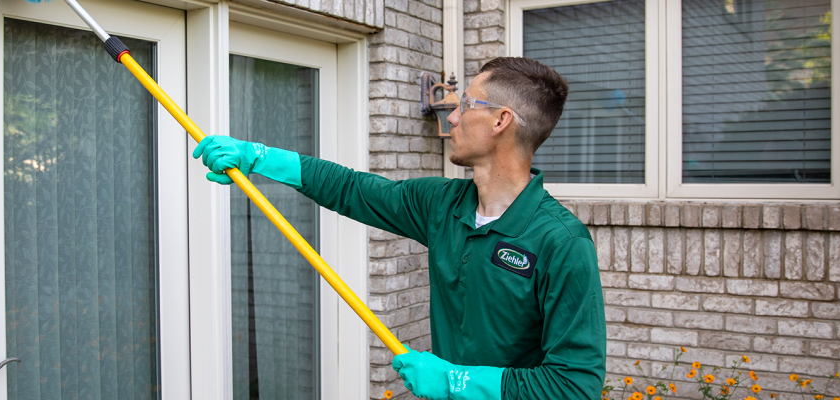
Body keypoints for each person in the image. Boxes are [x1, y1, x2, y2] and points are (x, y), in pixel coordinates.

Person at [193, 57, 606, 400]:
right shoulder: (443, 204)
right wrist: (259, 157)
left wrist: (455, 382)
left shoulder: (561, 242)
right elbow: (354, 189)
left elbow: (575, 385)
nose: (454, 117)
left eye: (466, 104)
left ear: (501, 120)